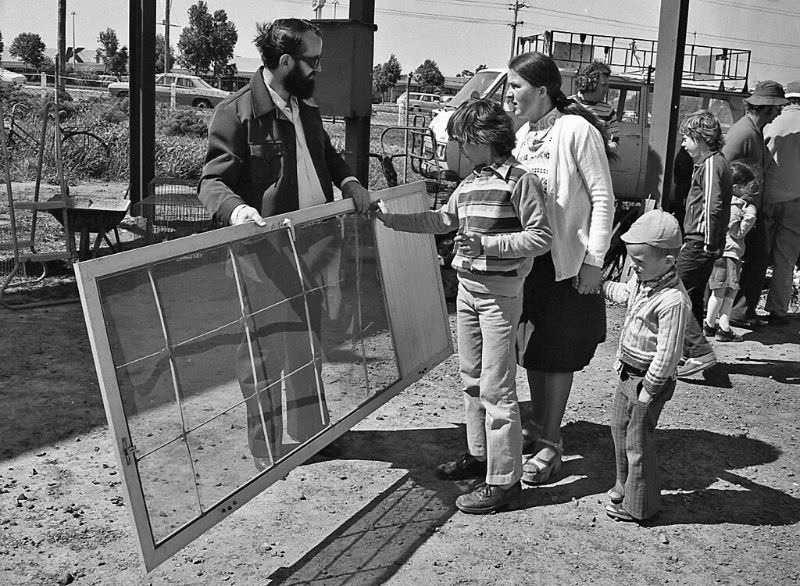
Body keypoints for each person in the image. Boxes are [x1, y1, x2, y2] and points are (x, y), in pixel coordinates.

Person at [198, 18, 370, 470]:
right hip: (265, 254)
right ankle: (267, 448)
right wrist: (238, 211)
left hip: (314, 247)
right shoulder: (236, 113)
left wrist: (349, 180)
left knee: (305, 342)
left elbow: (327, 156)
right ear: (287, 61)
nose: (319, 70)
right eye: (313, 61)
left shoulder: (304, 110)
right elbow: (212, 182)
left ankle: (311, 434)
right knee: (263, 351)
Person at [372, 98, 552, 514]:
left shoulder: (520, 180)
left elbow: (540, 238)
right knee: (471, 376)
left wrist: (488, 244)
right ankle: (479, 455)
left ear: (482, 139)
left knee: (496, 386)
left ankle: (505, 481)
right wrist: (391, 219)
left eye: (460, 139)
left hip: (499, 295)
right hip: (468, 291)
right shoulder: (471, 182)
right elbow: (442, 221)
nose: (455, 147)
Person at [506, 52, 615, 485]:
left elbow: (602, 198)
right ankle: (541, 433)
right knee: (533, 350)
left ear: (542, 90)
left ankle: (551, 445)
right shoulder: (523, 135)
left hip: (567, 266)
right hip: (528, 264)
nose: (509, 95)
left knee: (558, 353)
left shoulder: (577, 130)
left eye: (515, 86)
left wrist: (594, 261)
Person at [601, 210, 691, 523]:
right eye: (632, 261)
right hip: (628, 372)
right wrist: (602, 286)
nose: (634, 268)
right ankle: (622, 484)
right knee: (619, 429)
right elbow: (626, 294)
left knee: (637, 441)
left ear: (667, 262)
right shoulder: (644, 281)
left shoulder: (673, 301)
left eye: (639, 262)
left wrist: (650, 389)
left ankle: (640, 506)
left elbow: (667, 353)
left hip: (648, 380)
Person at [722, 80, 788, 328]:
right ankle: (736, 311)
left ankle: (739, 310)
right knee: (751, 258)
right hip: (741, 209)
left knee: (755, 259)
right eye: (777, 107)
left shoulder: (753, 131)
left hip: (750, 206)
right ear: (767, 107)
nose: (780, 111)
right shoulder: (744, 133)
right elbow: (724, 169)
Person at [675, 110, 733, 377]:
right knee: (692, 295)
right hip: (705, 241)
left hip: (700, 241)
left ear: (701, 138)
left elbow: (713, 204)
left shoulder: (711, 164)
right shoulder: (717, 162)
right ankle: (689, 351)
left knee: (674, 295)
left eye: (687, 138)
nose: (684, 144)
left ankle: (698, 352)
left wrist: (709, 242)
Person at [703, 161, 759, 342]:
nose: (749, 191)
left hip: (726, 253)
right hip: (729, 253)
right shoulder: (737, 206)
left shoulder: (726, 201)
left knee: (725, 291)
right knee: (723, 292)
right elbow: (737, 232)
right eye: (746, 187)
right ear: (736, 187)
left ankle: (717, 325)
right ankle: (715, 325)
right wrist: (750, 217)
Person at [761, 80, 800, 325]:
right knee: (786, 258)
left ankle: (743, 308)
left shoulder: (772, 123)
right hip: (796, 201)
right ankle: (778, 310)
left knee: (759, 255)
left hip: (768, 198)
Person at [570, 59, 620, 153]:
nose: (606, 89)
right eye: (603, 85)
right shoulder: (568, 105)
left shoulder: (608, 111)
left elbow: (614, 139)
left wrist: (610, 146)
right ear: (589, 83)